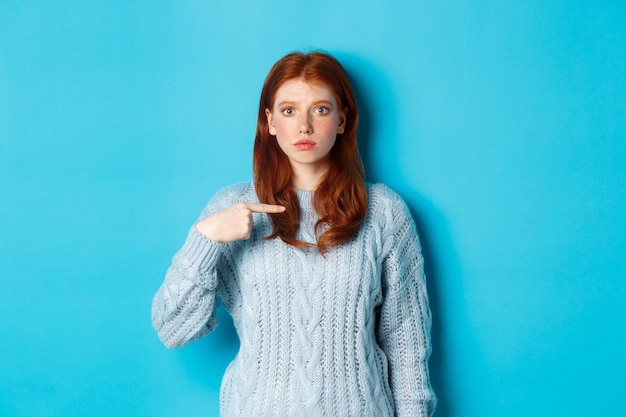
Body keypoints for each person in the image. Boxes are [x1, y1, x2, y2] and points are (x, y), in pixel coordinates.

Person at [151, 51, 436, 417]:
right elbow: (173, 330)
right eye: (288, 111)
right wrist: (204, 240)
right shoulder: (233, 206)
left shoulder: (383, 211)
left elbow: (407, 343)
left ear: (342, 119)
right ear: (269, 121)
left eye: (320, 109)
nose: (304, 126)